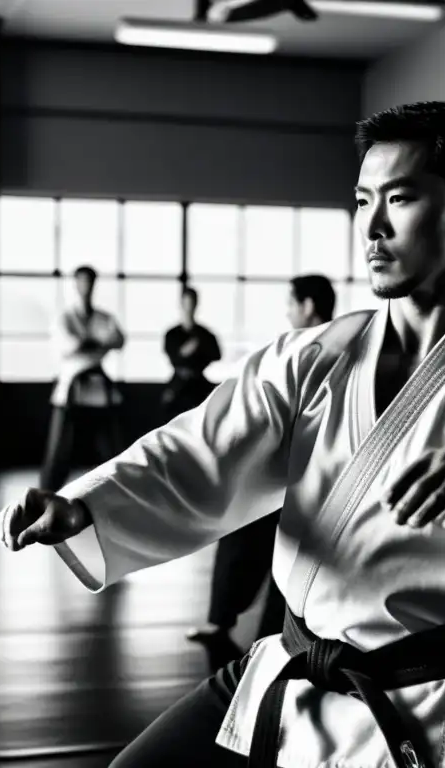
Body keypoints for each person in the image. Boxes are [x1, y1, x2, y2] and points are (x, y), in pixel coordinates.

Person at [0, 101, 445, 767]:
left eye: (400, 198)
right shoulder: (313, 356)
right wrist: (86, 502)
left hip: (430, 694)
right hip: (291, 665)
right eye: (361, 201)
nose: (372, 227)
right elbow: (200, 450)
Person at [185, 275, 335, 655]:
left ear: (308, 306)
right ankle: (244, 627)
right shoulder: (329, 346)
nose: (287, 310)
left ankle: (260, 633)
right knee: (269, 549)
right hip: (295, 471)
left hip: (302, 475)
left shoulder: (312, 348)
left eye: (291, 302)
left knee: (280, 554)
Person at [40, 265, 126, 493]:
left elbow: (118, 340)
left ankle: (118, 492)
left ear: (94, 285)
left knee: (111, 450)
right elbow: (69, 345)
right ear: (75, 284)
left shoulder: (104, 317)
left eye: (89, 282)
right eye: (82, 282)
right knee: (59, 452)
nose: (86, 287)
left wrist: (89, 342)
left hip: (99, 391)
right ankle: (47, 494)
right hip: (71, 389)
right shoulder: (64, 318)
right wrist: (96, 343)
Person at [162, 286, 222, 420]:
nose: (189, 308)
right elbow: (174, 357)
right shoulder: (172, 334)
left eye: (192, 304)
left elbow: (217, 355)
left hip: (199, 382)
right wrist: (188, 349)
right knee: (168, 410)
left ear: (196, 305)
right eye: (186, 304)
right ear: (181, 305)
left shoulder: (205, 334)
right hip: (178, 382)